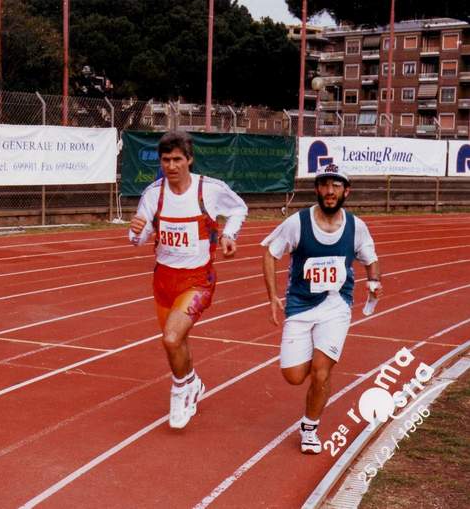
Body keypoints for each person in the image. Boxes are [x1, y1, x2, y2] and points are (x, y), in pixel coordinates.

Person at [129, 131, 248, 429]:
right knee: (177, 340)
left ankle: (180, 392)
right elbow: (139, 238)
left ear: (189, 159)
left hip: (198, 279)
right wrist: (135, 231)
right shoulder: (153, 194)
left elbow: (238, 208)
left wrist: (229, 235)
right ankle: (192, 382)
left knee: (170, 337)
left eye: (177, 159)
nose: (171, 166)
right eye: (166, 160)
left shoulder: (208, 189)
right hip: (163, 279)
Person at [261, 163, 382, 454]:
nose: (330, 191)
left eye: (336, 186)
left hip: (336, 306)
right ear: (317, 189)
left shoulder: (356, 226)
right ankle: (315, 388)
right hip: (301, 307)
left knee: (321, 371)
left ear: (346, 191)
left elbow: (370, 257)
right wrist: (273, 296)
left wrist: (374, 281)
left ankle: (310, 428)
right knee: (293, 375)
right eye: (325, 185)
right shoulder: (297, 223)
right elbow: (269, 252)